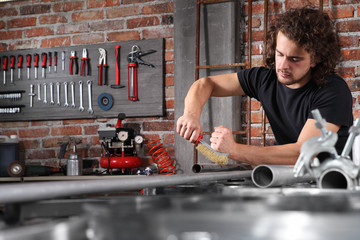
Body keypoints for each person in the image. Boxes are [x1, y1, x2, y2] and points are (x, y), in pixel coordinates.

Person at [176, 7, 353, 166]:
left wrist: (234, 150)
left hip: (335, 182)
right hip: (293, 179)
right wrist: (191, 115)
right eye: (279, 54)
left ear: (316, 59)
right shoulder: (264, 79)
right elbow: (207, 83)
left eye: (294, 59)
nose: (283, 65)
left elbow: (302, 152)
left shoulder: (333, 91)